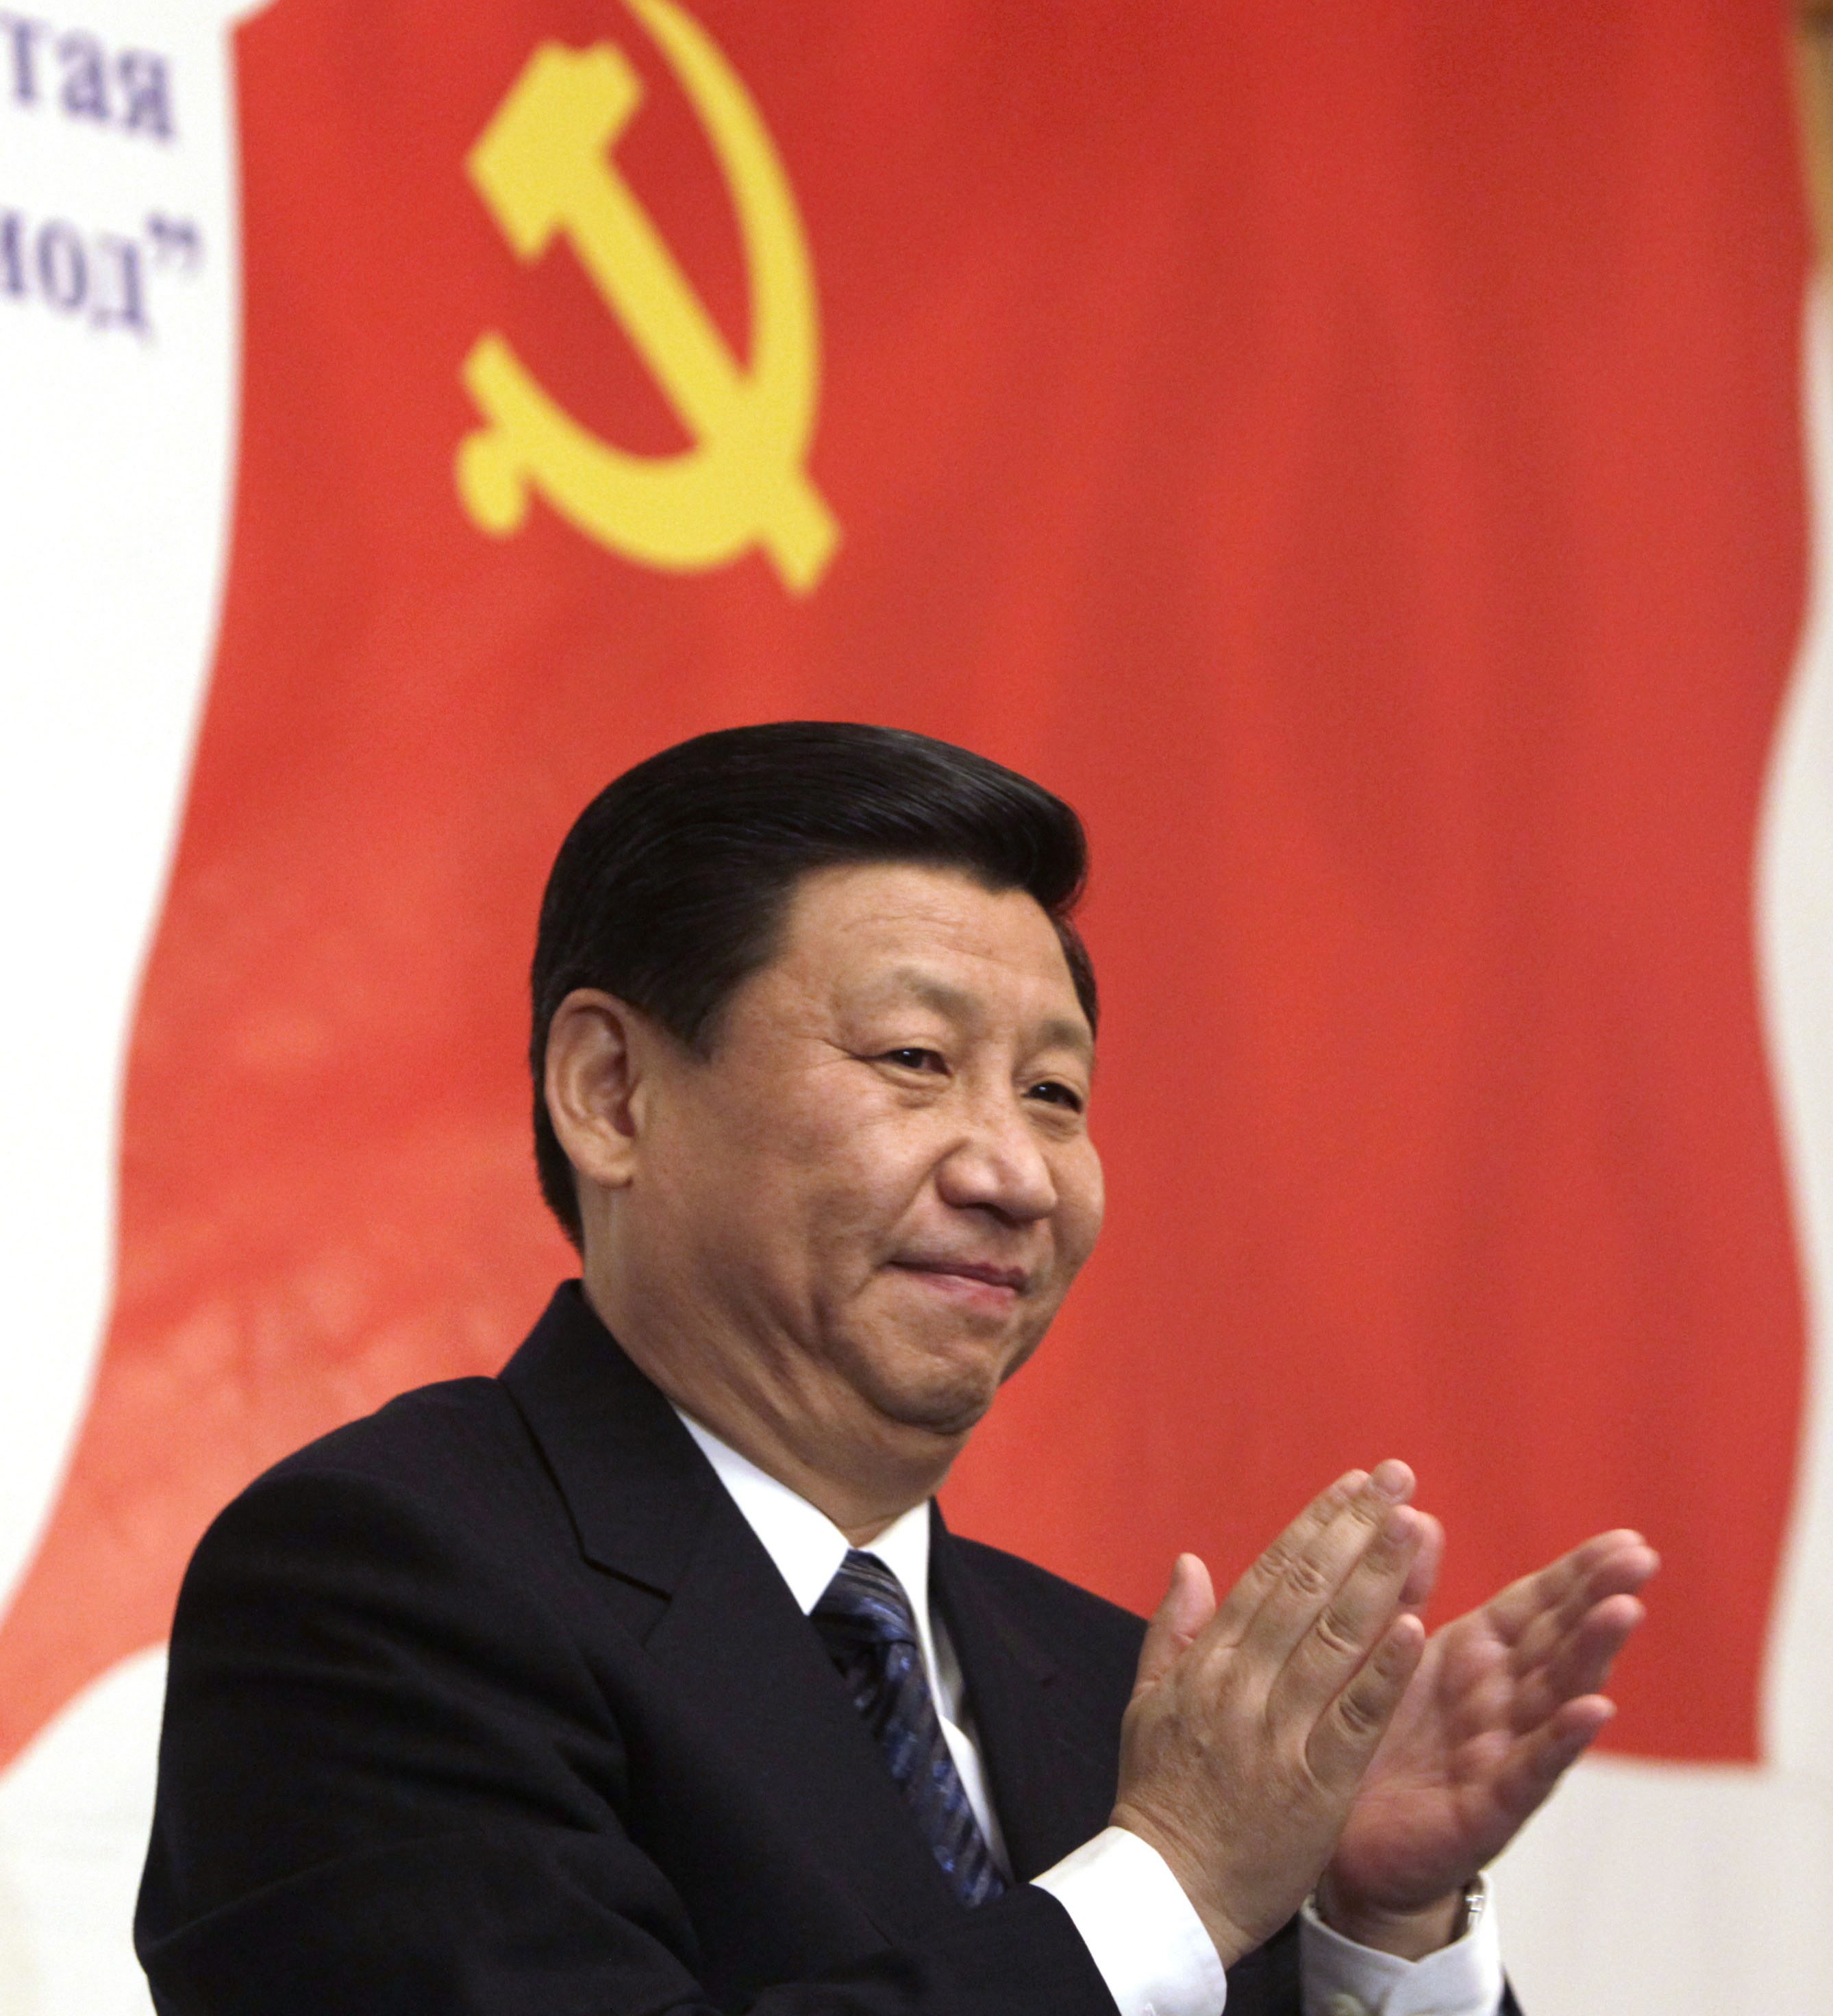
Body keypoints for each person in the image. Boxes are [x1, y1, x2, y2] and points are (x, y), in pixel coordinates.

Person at [136, 722, 1656, 2016]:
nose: (1016, 1173)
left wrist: (1372, 1931)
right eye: (915, 1061)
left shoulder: (1128, 1699)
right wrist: (1177, 1884)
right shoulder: (380, 1585)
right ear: (611, 1093)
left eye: (1054, 1092)